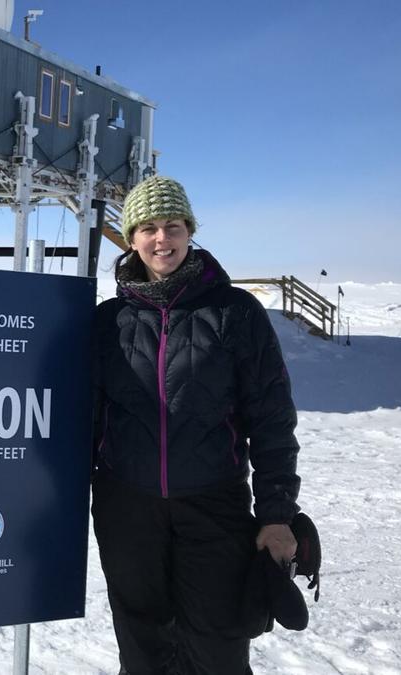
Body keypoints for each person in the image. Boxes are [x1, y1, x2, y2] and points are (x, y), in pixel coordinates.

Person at [91, 175, 302, 674]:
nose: (162, 239)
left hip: (214, 504)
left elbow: (271, 417)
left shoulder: (235, 313)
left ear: (190, 231)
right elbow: (85, 416)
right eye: (148, 228)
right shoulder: (107, 321)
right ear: (131, 237)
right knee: (142, 647)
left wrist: (277, 514)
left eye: (173, 226)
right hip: (127, 508)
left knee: (218, 645)